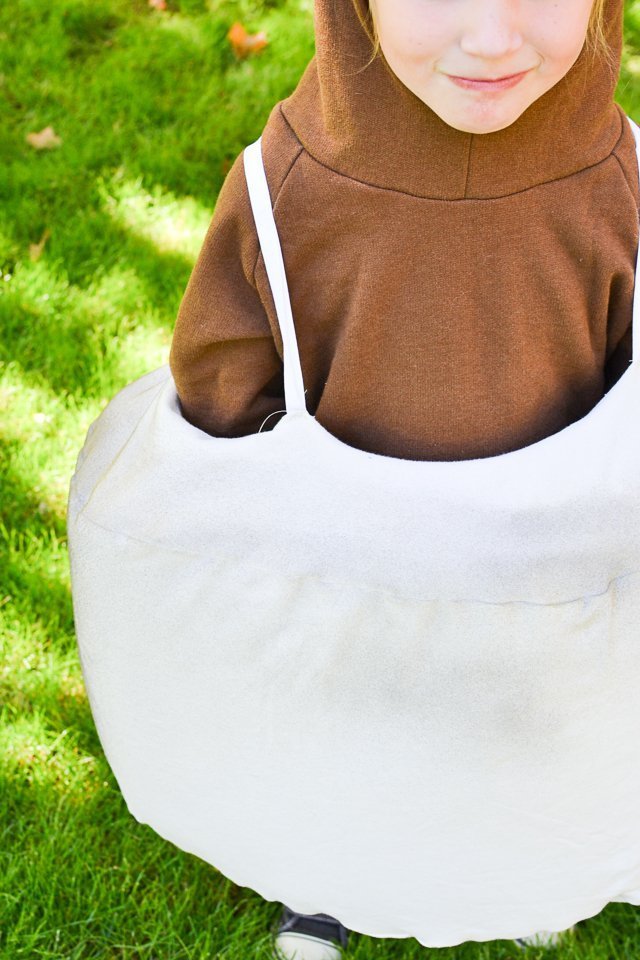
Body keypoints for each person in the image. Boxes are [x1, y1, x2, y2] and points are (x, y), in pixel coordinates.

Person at [168, 0, 640, 955]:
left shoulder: (620, 175)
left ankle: (518, 861)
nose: (494, 36)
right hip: (352, 561)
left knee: (519, 719)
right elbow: (224, 372)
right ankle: (327, 883)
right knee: (348, 724)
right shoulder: (291, 185)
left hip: (542, 561)